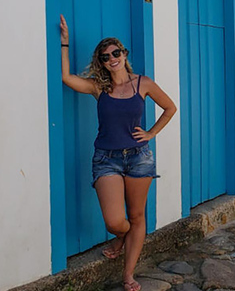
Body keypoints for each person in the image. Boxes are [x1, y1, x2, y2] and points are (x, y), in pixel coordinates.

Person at [59, 15, 177, 291]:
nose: (112, 58)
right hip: (106, 159)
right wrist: (65, 43)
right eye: (105, 56)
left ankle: (128, 275)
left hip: (139, 158)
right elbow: (66, 78)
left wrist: (150, 133)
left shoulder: (142, 83)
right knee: (116, 221)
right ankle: (121, 237)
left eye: (116, 52)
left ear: (124, 54)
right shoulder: (99, 87)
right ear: (101, 62)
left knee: (137, 216)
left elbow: (170, 108)